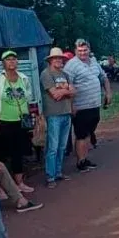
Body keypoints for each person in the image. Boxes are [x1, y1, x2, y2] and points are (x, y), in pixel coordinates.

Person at [0, 50, 35, 192]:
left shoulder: (23, 78)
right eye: (8, 59)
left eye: (14, 59)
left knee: (18, 152)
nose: (11, 61)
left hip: (20, 120)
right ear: (3, 63)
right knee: (1, 155)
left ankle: (19, 183)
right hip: (3, 121)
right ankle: (1, 188)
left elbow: (28, 97)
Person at [64, 38, 111, 172]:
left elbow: (104, 77)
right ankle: (80, 162)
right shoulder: (71, 66)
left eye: (85, 50)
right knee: (81, 135)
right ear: (75, 51)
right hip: (80, 107)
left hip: (94, 105)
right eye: (80, 50)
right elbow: (68, 85)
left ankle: (85, 158)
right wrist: (71, 105)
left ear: (89, 50)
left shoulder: (94, 62)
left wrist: (108, 93)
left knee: (89, 133)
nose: (83, 53)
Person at [39, 48, 75, 188]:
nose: (59, 60)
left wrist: (64, 92)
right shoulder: (46, 74)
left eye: (60, 58)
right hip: (53, 114)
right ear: (50, 60)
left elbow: (74, 92)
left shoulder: (65, 74)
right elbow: (55, 95)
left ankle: (58, 172)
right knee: (52, 147)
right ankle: (50, 176)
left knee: (62, 146)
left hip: (66, 112)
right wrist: (67, 91)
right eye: (56, 58)